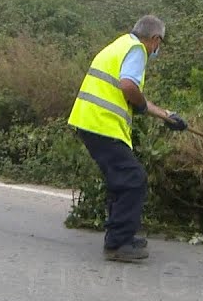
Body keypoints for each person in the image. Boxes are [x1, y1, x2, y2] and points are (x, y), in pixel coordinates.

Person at [67, 15, 187, 262]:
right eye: (159, 44)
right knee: (134, 178)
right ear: (154, 39)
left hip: (90, 121)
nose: (157, 50)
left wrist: (167, 116)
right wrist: (142, 105)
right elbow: (129, 87)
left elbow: (132, 93)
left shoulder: (121, 44)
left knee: (120, 181)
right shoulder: (137, 50)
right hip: (102, 124)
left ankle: (121, 237)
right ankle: (118, 244)